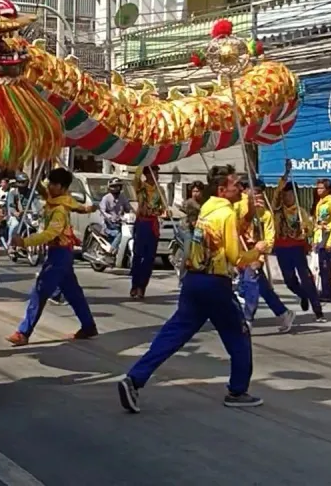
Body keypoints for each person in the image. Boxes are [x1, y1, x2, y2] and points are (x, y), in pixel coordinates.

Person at [118, 168, 263, 413]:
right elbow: (235, 255)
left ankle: (134, 378)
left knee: (172, 335)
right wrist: (257, 250)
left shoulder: (207, 208)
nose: (240, 188)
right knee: (239, 335)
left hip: (193, 281)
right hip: (215, 284)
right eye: (236, 185)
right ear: (221, 190)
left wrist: (248, 209)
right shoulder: (225, 213)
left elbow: (235, 221)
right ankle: (238, 390)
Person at [6, 167, 99, 346]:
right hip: (61, 254)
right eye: (50, 184)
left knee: (39, 292)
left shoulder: (60, 210)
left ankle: (24, 332)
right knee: (73, 293)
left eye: (54, 185)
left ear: (63, 188)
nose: (50, 187)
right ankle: (88, 326)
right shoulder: (58, 199)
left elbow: (49, 234)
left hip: (59, 255)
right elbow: (79, 207)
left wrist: (24, 242)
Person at [237, 184, 293, 332]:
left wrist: (260, 257)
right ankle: (283, 312)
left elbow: (269, 239)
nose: (257, 197)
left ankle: (247, 319)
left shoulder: (266, 215)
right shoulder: (239, 207)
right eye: (253, 193)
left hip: (254, 256)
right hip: (239, 253)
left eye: (259, 194)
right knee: (260, 287)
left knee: (251, 285)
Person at [272, 164, 322, 321]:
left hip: (297, 249)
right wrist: (286, 172)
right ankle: (302, 295)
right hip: (282, 248)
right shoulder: (278, 209)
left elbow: (311, 229)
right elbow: (277, 192)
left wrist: (308, 236)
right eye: (285, 195)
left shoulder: (301, 213)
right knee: (289, 280)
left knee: (306, 278)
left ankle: (318, 310)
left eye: (290, 195)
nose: (287, 198)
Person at [131, 167, 164, 300]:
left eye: (157, 173)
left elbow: (162, 208)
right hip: (141, 223)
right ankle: (135, 284)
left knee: (150, 258)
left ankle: (142, 287)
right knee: (138, 256)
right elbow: (135, 178)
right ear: (147, 174)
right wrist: (143, 162)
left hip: (153, 224)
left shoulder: (159, 190)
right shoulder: (141, 187)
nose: (156, 175)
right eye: (153, 172)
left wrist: (160, 212)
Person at [311, 178, 331, 302]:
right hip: (319, 236)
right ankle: (325, 290)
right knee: (321, 267)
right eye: (318, 188)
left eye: (321, 188)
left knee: (326, 267)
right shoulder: (320, 202)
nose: (319, 190)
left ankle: (327, 293)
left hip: (327, 237)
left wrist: (330, 242)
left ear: (327, 189)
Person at [97, 177, 130, 253]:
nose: (115, 188)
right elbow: (102, 212)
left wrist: (131, 214)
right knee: (120, 234)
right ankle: (111, 250)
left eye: (117, 186)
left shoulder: (123, 197)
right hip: (108, 225)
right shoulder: (106, 198)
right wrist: (110, 217)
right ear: (109, 187)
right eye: (113, 186)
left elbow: (128, 208)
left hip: (121, 224)